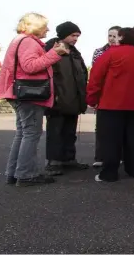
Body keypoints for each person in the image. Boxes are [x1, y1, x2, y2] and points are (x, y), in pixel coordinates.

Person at [0, 12, 69, 186]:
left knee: (22, 133)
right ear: (35, 27)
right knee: (30, 134)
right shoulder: (28, 42)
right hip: (30, 95)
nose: (48, 30)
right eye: (44, 26)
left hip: (18, 93)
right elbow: (30, 66)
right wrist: (55, 53)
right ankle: (26, 175)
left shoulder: (19, 39)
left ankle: (14, 173)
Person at [86, 27, 134, 182]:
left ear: (121, 38)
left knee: (111, 140)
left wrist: (92, 100)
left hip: (111, 104)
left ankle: (109, 173)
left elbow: (95, 79)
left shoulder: (110, 54)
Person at [43, 21, 89, 176]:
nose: (76, 38)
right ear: (63, 34)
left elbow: (82, 73)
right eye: (73, 35)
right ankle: (53, 162)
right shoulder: (50, 48)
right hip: (57, 98)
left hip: (73, 98)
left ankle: (69, 159)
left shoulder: (75, 52)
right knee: (55, 131)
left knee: (70, 131)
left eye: (77, 36)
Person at [91, 25, 121, 167]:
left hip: (120, 94)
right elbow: (96, 74)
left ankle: (118, 156)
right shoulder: (99, 52)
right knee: (102, 127)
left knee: (119, 126)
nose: (112, 38)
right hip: (103, 93)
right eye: (110, 35)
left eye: (115, 36)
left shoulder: (125, 52)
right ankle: (100, 156)